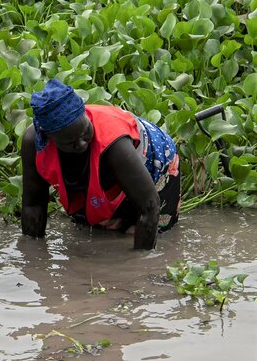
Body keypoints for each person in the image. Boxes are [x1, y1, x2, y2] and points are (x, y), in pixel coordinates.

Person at [21, 79, 180, 250]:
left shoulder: (114, 145)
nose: (82, 144)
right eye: (71, 142)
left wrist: (139, 264)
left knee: (147, 229)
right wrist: (33, 256)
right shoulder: (34, 143)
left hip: (155, 160)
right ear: (49, 138)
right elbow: (33, 205)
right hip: (102, 165)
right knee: (94, 227)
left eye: (85, 132)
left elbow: (150, 205)